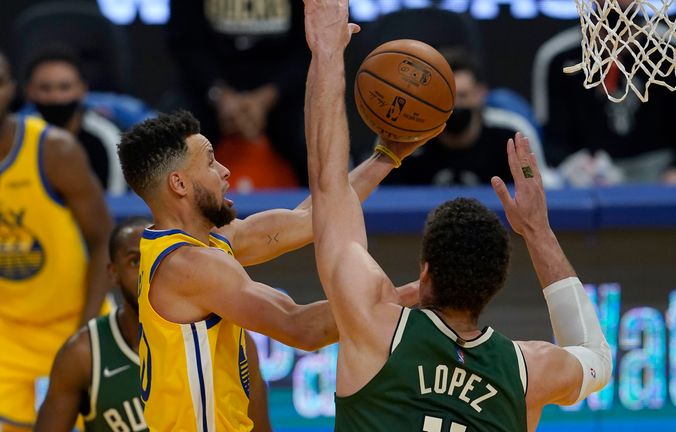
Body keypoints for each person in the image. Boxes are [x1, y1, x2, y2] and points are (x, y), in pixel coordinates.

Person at [302, 1, 612, 430]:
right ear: (496, 285)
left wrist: (327, 52)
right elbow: (596, 356)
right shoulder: (527, 370)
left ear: (425, 271)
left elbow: (328, 186)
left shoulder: (374, 326)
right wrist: (538, 231)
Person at [116, 109, 421, 430]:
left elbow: (310, 218)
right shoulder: (191, 265)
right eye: (209, 162)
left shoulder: (190, 243)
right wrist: (411, 295)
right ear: (179, 184)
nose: (225, 171)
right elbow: (300, 327)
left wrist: (386, 156)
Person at [34, 217, 273, 432]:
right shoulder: (83, 354)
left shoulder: (229, 340)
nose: (146, 268)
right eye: (134, 261)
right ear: (113, 273)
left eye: (153, 256)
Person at [0, 50, 112, 432]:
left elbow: (102, 245)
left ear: (11, 90)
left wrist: (84, 334)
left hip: (72, 325)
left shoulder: (54, 151)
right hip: (7, 336)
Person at [532, 21, 676, 185]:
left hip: (660, 170)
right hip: (587, 176)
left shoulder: (674, 49)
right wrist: (575, 166)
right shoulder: (558, 55)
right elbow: (549, 139)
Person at [168, 0, 310, 184]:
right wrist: (220, 95)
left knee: (318, 139)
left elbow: (308, 46)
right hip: (210, 91)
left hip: (282, 92)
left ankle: (326, 209)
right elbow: (184, 41)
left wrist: (268, 97)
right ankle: (171, 211)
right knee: (172, 139)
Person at [384, 50, 520, 186]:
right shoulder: (408, 145)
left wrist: (528, 173)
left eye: (462, 95)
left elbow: (535, 181)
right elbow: (382, 199)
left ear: (480, 94)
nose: (454, 106)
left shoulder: (510, 141)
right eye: (445, 97)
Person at [24, 46, 126, 195]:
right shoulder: (19, 137)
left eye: (64, 87)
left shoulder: (106, 137)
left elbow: (115, 200)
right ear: (29, 91)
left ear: (82, 89)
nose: (55, 97)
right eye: (45, 88)